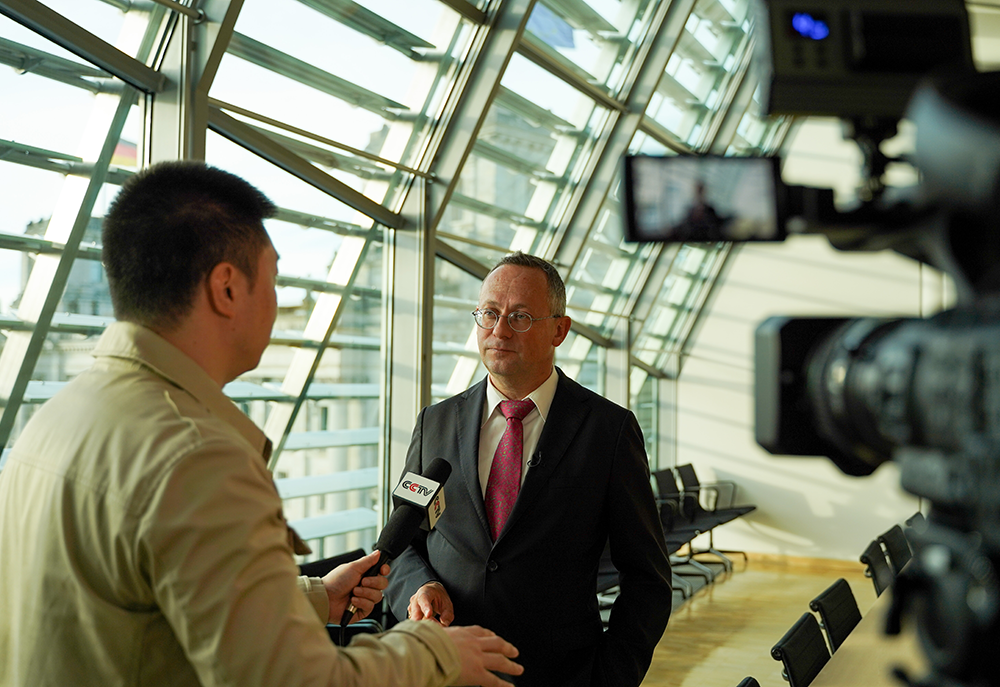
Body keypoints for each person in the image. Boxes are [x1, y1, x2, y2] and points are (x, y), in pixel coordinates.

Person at [0, 161, 521, 687]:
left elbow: (137, 596)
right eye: (272, 278)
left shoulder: (57, 418)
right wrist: (436, 654)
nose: (276, 301)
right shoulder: (196, 454)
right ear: (226, 287)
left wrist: (316, 595)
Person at [385, 252, 672, 687]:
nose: (499, 330)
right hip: (443, 667)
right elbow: (402, 542)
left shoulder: (608, 431)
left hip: (560, 674)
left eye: (519, 317)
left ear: (560, 329)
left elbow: (647, 577)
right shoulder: (435, 423)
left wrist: (612, 676)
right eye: (489, 314)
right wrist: (418, 589)